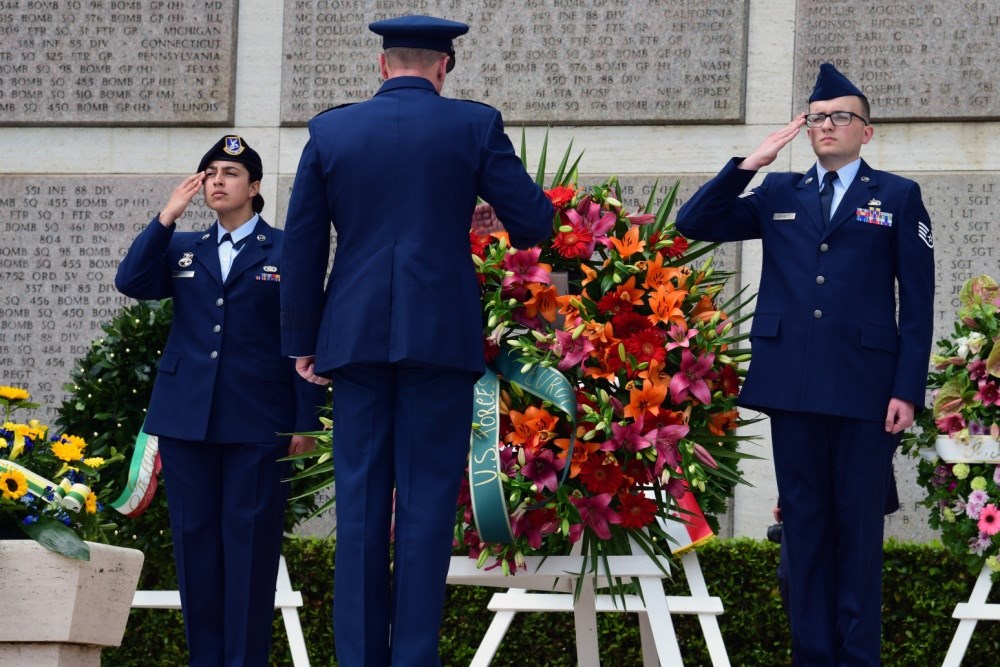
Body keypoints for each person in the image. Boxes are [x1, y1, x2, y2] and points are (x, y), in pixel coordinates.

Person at [279, 14, 554, 666]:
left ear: (382, 65)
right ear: (444, 67)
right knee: (428, 505)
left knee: (362, 506)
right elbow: (535, 221)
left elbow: (304, 243)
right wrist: (477, 210)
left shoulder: (331, 129)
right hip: (440, 334)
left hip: (353, 333)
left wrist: (301, 339)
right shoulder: (473, 124)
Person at [675, 63, 934, 666]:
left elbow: (917, 303)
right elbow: (694, 224)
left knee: (859, 533)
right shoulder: (778, 194)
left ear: (865, 131)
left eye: (841, 117)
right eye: (817, 118)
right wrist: (751, 163)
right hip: (792, 386)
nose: (827, 126)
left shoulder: (896, 196)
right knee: (805, 530)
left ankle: (857, 658)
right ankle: (811, 656)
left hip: (868, 390)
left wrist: (907, 389)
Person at [115, 135, 326, 667]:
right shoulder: (184, 247)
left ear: (254, 187)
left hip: (260, 421)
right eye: (209, 172)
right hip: (187, 420)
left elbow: (303, 331)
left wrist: (307, 419)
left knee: (251, 551)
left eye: (229, 172)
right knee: (195, 545)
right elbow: (132, 281)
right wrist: (167, 216)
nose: (216, 181)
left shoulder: (284, 250)